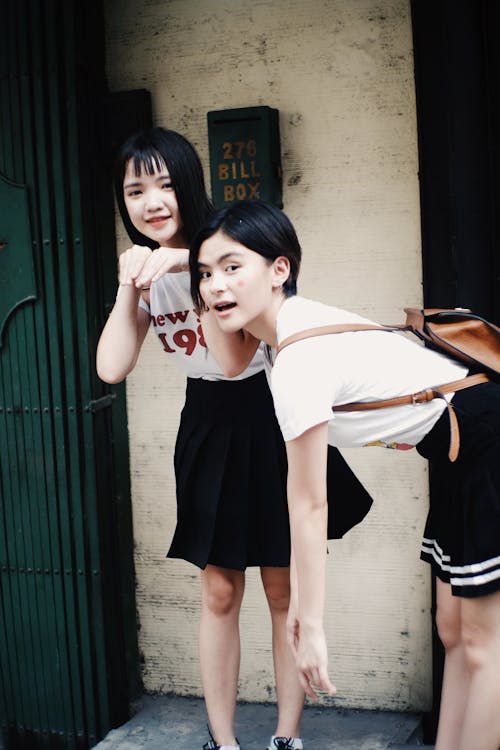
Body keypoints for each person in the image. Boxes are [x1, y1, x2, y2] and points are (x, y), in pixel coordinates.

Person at [189, 199, 500, 750]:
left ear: (279, 269)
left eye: (233, 267)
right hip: (456, 450)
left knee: (483, 642)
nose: (215, 286)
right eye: (205, 273)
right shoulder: (283, 342)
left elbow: (309, 504)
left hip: (484, 443)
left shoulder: (299, 359)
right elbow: (229, 363)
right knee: (454, 632)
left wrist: (310, 625)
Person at [96, 127, 310, 750]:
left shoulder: (230, 249)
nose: (152, 201)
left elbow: (237, 362)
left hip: (269, 416)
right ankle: (223, 740)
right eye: (135, 190)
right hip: (207, 422)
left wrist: (195, 270)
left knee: (282, 587)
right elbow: (110, 366)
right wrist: (127, 285)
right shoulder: (144, 269)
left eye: (165, 183)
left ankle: (287, 737)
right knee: (219, 588)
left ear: (189, 184)